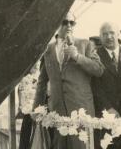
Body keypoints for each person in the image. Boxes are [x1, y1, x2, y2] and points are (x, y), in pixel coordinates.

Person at [33, 12, 105, 149]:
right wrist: (36, 108)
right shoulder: (48, 50)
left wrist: (78, 56)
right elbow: (42, 82)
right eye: (64, 22)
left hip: (81, 111)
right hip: (57, 111)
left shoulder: (85, 44)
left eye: (72, 22)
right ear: (56, 24)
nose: (69, 25)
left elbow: (99, 70)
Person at [92, 22, 121, 149]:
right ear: (100, 37)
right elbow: (95, 86)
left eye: (112, 33)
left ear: (118, 35)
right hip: (106, 115)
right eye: (104, 34)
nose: (109, 36)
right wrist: (108, 108)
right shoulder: (95, 56)